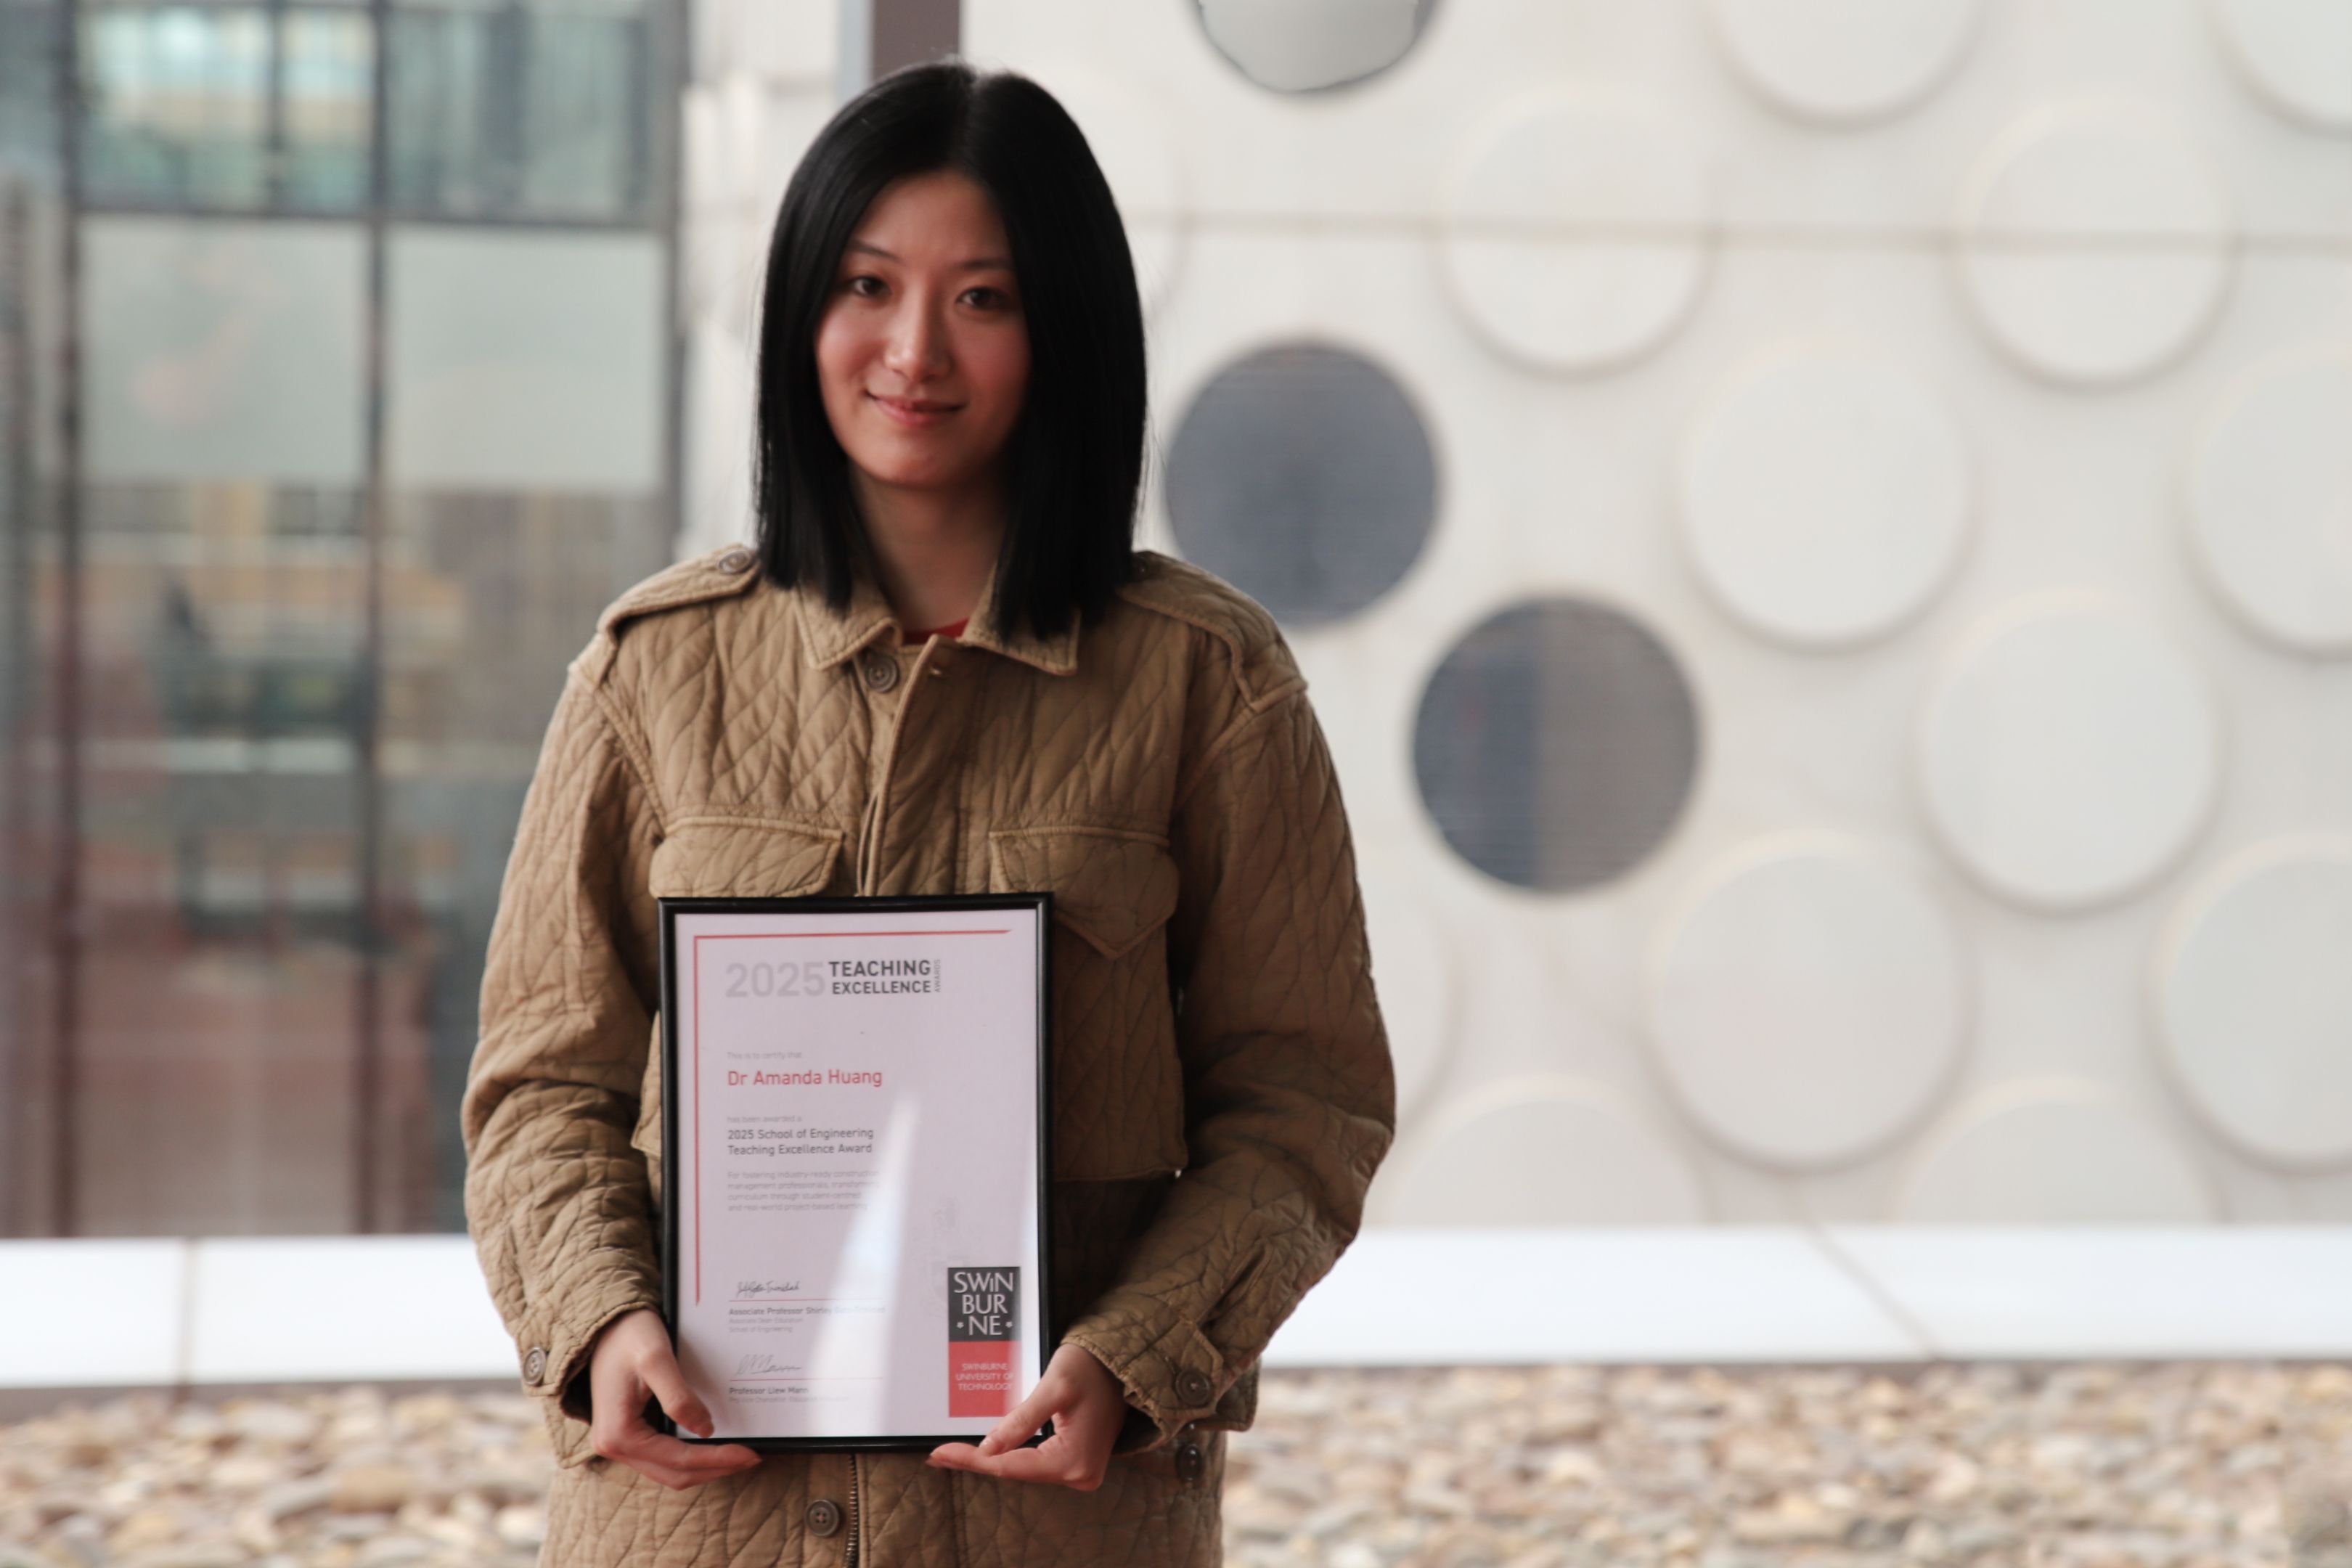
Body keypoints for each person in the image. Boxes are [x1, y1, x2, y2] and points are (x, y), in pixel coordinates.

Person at [460, 58, 1394, 1568]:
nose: (913, 350)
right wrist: (599, 1319)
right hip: (701, 1522)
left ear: (1064, 330)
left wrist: (1139, 1357)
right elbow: (539, 1088)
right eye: (867, 284)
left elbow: (1305, 1104)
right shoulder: (654, 669)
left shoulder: (1207, 682)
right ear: (801, 313)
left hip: (1057, 1527)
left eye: (984, 299)